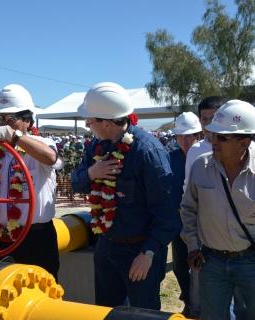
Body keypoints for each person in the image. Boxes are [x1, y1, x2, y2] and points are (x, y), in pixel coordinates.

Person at [71, 82, 180, 310]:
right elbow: (76, 182)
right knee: (106, 311)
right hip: (107, 246)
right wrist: (92, 173)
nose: (88, 125)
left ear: (107, 123)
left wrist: (148, 252)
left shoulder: (147, 152)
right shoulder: (95, 148)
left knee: (143, 312)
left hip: (140, 251)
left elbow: (167, 212)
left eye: (90, 121)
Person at [0, 84, 64, 278]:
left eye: (10, 119)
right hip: (2, 238)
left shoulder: (43, 145)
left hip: (37, 240)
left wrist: (14, 136)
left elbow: (50, 158)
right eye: (0, 119)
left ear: (28, 121)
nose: (4, 124)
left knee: (43, 297)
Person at [181, 100, 255, 320]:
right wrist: (193, 246)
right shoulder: (200, 167)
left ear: (244, 142)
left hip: (250, 263)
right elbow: (188, 210)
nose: (213, 141)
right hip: (211, 263)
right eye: (212, 134)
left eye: (222, 137)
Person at [168, 112, 202, 317]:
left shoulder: (205, 156)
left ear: (198, 135)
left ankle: (199, 304)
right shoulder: (170, 157)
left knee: (200, 267)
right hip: (177, 222)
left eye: (188, 135)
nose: (184, 140)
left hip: (201, 223)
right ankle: (188, 301)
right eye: (180, 136)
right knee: (180, 265)